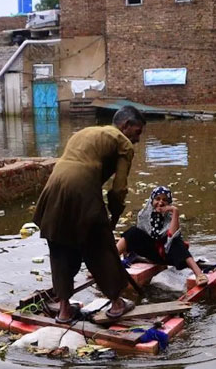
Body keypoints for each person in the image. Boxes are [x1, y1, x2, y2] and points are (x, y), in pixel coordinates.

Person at [33, 105, 146, 324]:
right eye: (138, 132)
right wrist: (113, 214)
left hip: (53, 187)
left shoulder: (86, 132)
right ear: (126, 125)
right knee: (100, 248)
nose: (137, 139)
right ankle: (116, 303)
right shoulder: (123, 142)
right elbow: (118, 188)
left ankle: (64, 310)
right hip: (81, 189)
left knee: (60, 247)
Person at [117, 186, 209, 286]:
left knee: (176, 241)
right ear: (152, 200)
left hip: (168, 254)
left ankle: (199, 274)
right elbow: (140, 238)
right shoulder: (143, 214)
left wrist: (174, 211)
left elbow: (172, 235)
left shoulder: (170, 217)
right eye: (157, 199)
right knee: (132, 231)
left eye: (164, 200)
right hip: (150, 253)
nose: (160, 203)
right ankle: (111, 257)